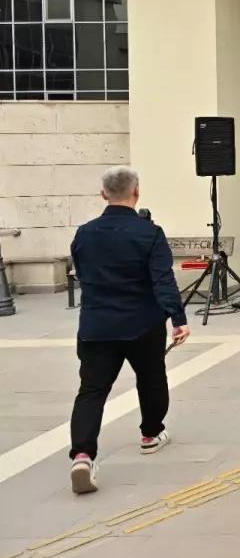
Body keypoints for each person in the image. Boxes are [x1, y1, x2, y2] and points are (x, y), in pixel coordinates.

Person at [67, 166, 190, 495]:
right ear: (137, 192)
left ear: (103, 194)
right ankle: (151, 433)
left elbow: (82, 273)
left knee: (91, 391)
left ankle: (82, 455)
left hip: (97, 325)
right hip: (143, 323)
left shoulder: (84, 233)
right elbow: (163, 279)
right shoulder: (150, 233)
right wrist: (177, 317)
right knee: (151, 378)